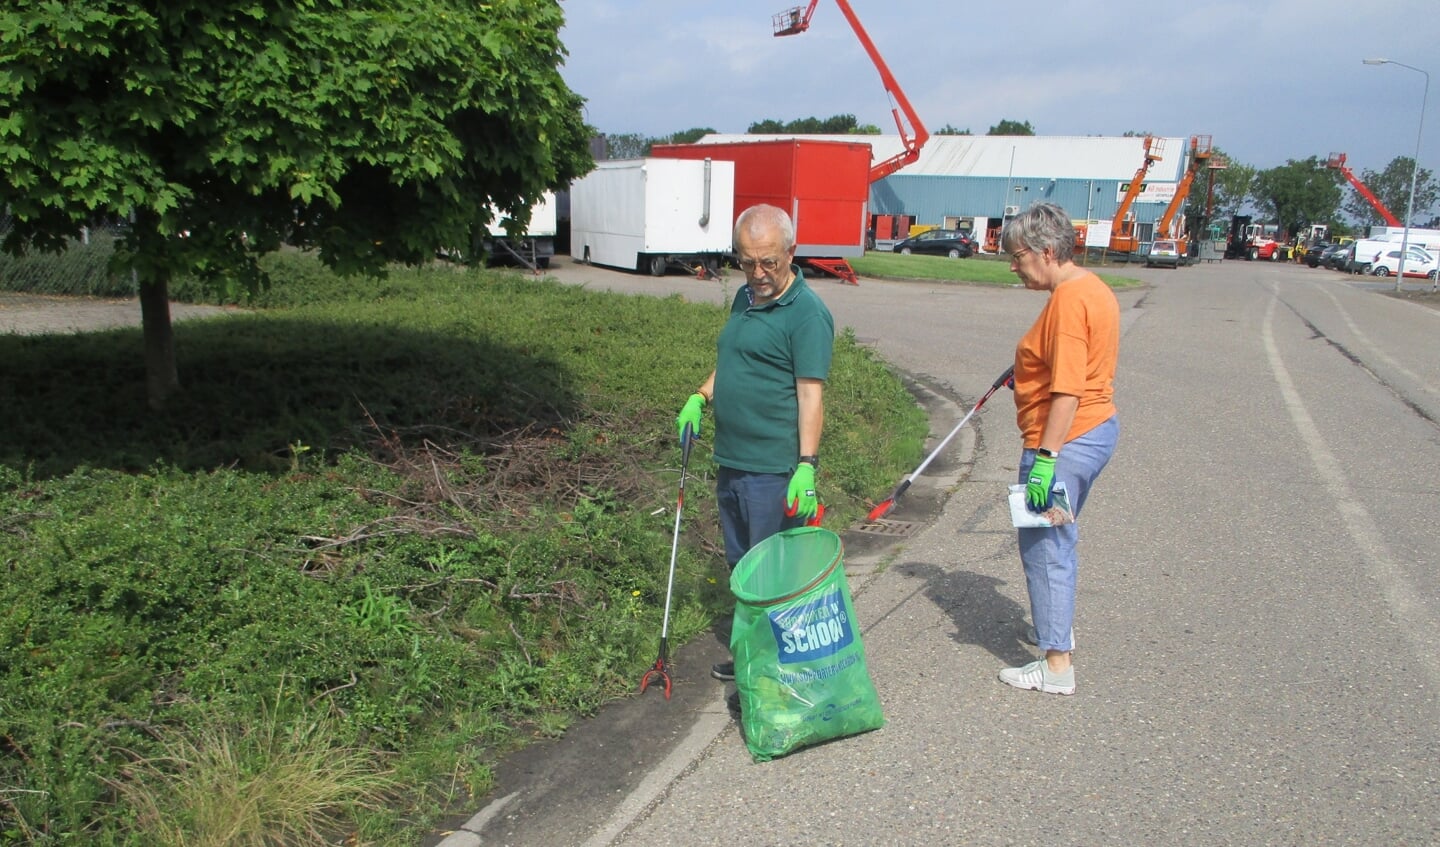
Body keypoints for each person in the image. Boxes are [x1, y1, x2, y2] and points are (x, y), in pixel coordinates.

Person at [675, 204, 835, 684]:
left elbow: (811, 396)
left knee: (771, 576)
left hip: (773, 469)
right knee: (741, 567)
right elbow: (735, 357)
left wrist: (806, 465)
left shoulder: (807, 315)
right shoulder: (745, 298)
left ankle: (777, 674)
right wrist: (700, 395)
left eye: (769, 262)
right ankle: (754, 657)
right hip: (732, 459)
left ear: (791, 252)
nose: (758, 273)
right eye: (747, 262)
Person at [997, 202, 1120, 696]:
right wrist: (1027, 371)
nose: (1013, 265)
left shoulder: (1068, 301)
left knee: (1046, 548)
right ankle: (1055, 630)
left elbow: (1068, 388)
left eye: (1018, 255)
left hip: (1064, 441)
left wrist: (1044, 461)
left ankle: (1056, 665)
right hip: (1096, 432)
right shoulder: (1092, 287)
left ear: (1047, 251)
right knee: (1057, 542)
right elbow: (1071, 364)